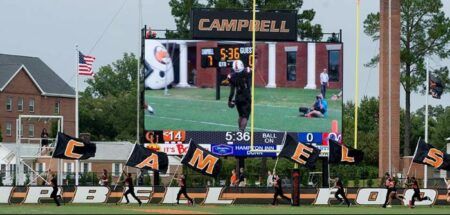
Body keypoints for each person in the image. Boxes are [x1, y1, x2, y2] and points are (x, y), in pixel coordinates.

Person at [228, 60, 252, 132]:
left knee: (241, 115)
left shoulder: (231, 76)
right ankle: (241, 132)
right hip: (246, 96)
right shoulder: (246, 72)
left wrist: (229, 100)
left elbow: (232, 91)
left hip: (237, 96)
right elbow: (249, 71)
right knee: (245, 116)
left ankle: (239, 131)